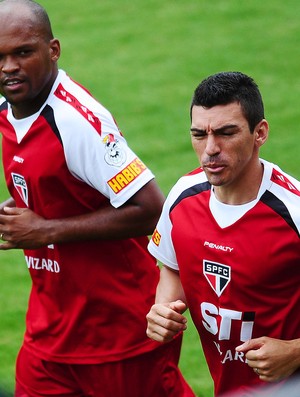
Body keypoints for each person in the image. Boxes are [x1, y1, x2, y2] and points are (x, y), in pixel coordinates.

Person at [0, 1, 195, 396]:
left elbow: (150, 209)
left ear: (53, 50)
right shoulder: (7, 109)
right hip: (51, 333)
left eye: (23, 52)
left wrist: (44, 229)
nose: (8, 67)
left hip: (120, 334)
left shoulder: (75, 122)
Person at [146, 71, 300, 396]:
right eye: (199, 134)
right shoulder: (182, 198)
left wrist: (295, 351)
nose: (210, 149)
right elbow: (172, 269)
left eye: (227, 133)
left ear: (260, 133)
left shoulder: (293, 212)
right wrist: (164, 309)